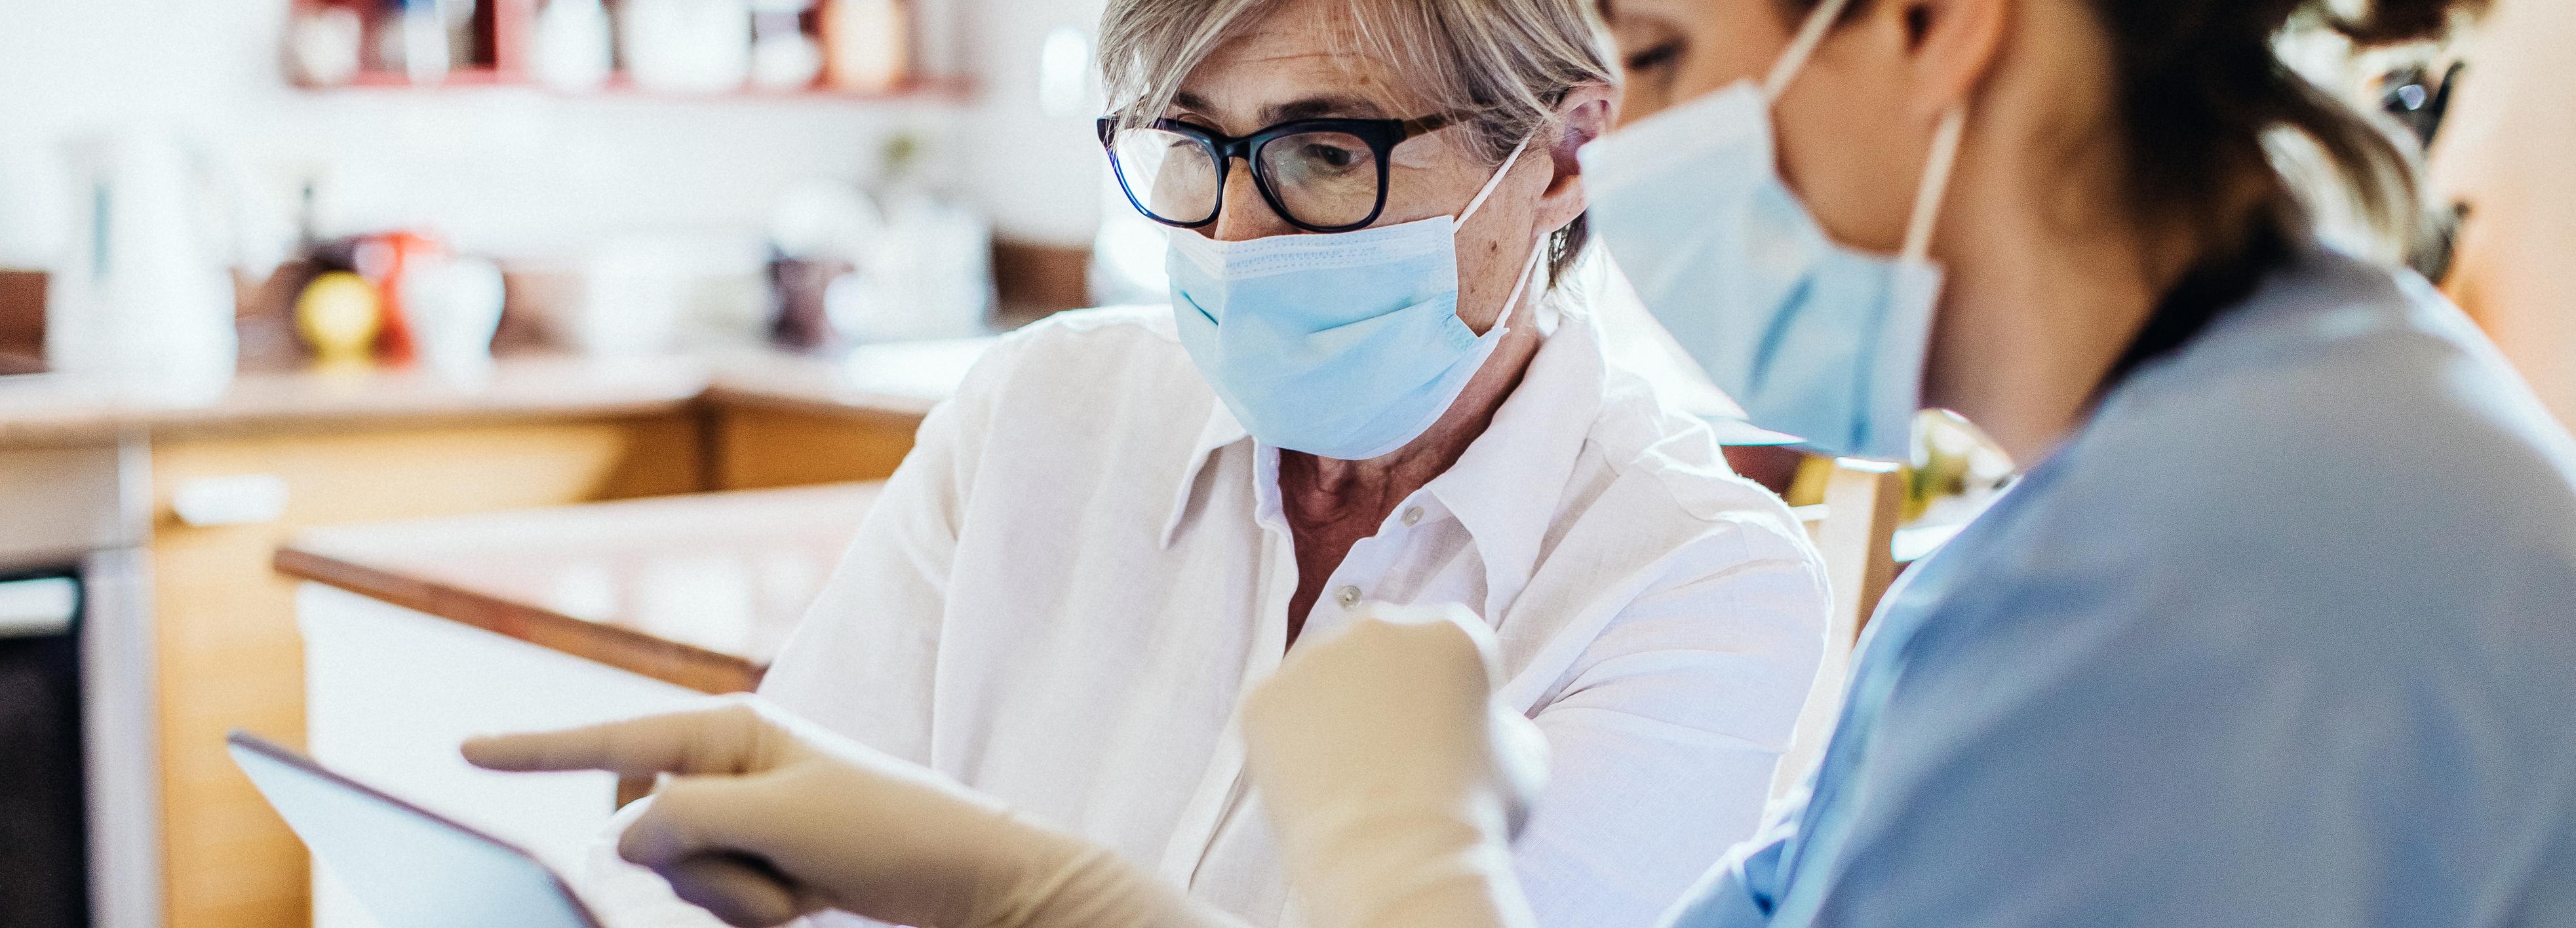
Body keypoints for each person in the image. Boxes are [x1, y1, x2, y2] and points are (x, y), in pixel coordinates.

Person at [473, 0, 2576, 925]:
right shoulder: (2089, 547)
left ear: (1931, 20)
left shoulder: (2236, 586)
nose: (1639, 150)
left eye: (1658, 60)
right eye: (1188, 153)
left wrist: (1380, 866)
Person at [576, 0, 1828, 925]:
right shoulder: (1040, 415)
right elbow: (780, 861)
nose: (1233, 235)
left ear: (1563, 157)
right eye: (1187, 142)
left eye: (1323, 155)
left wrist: (1033, 896)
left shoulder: (1695, 582)